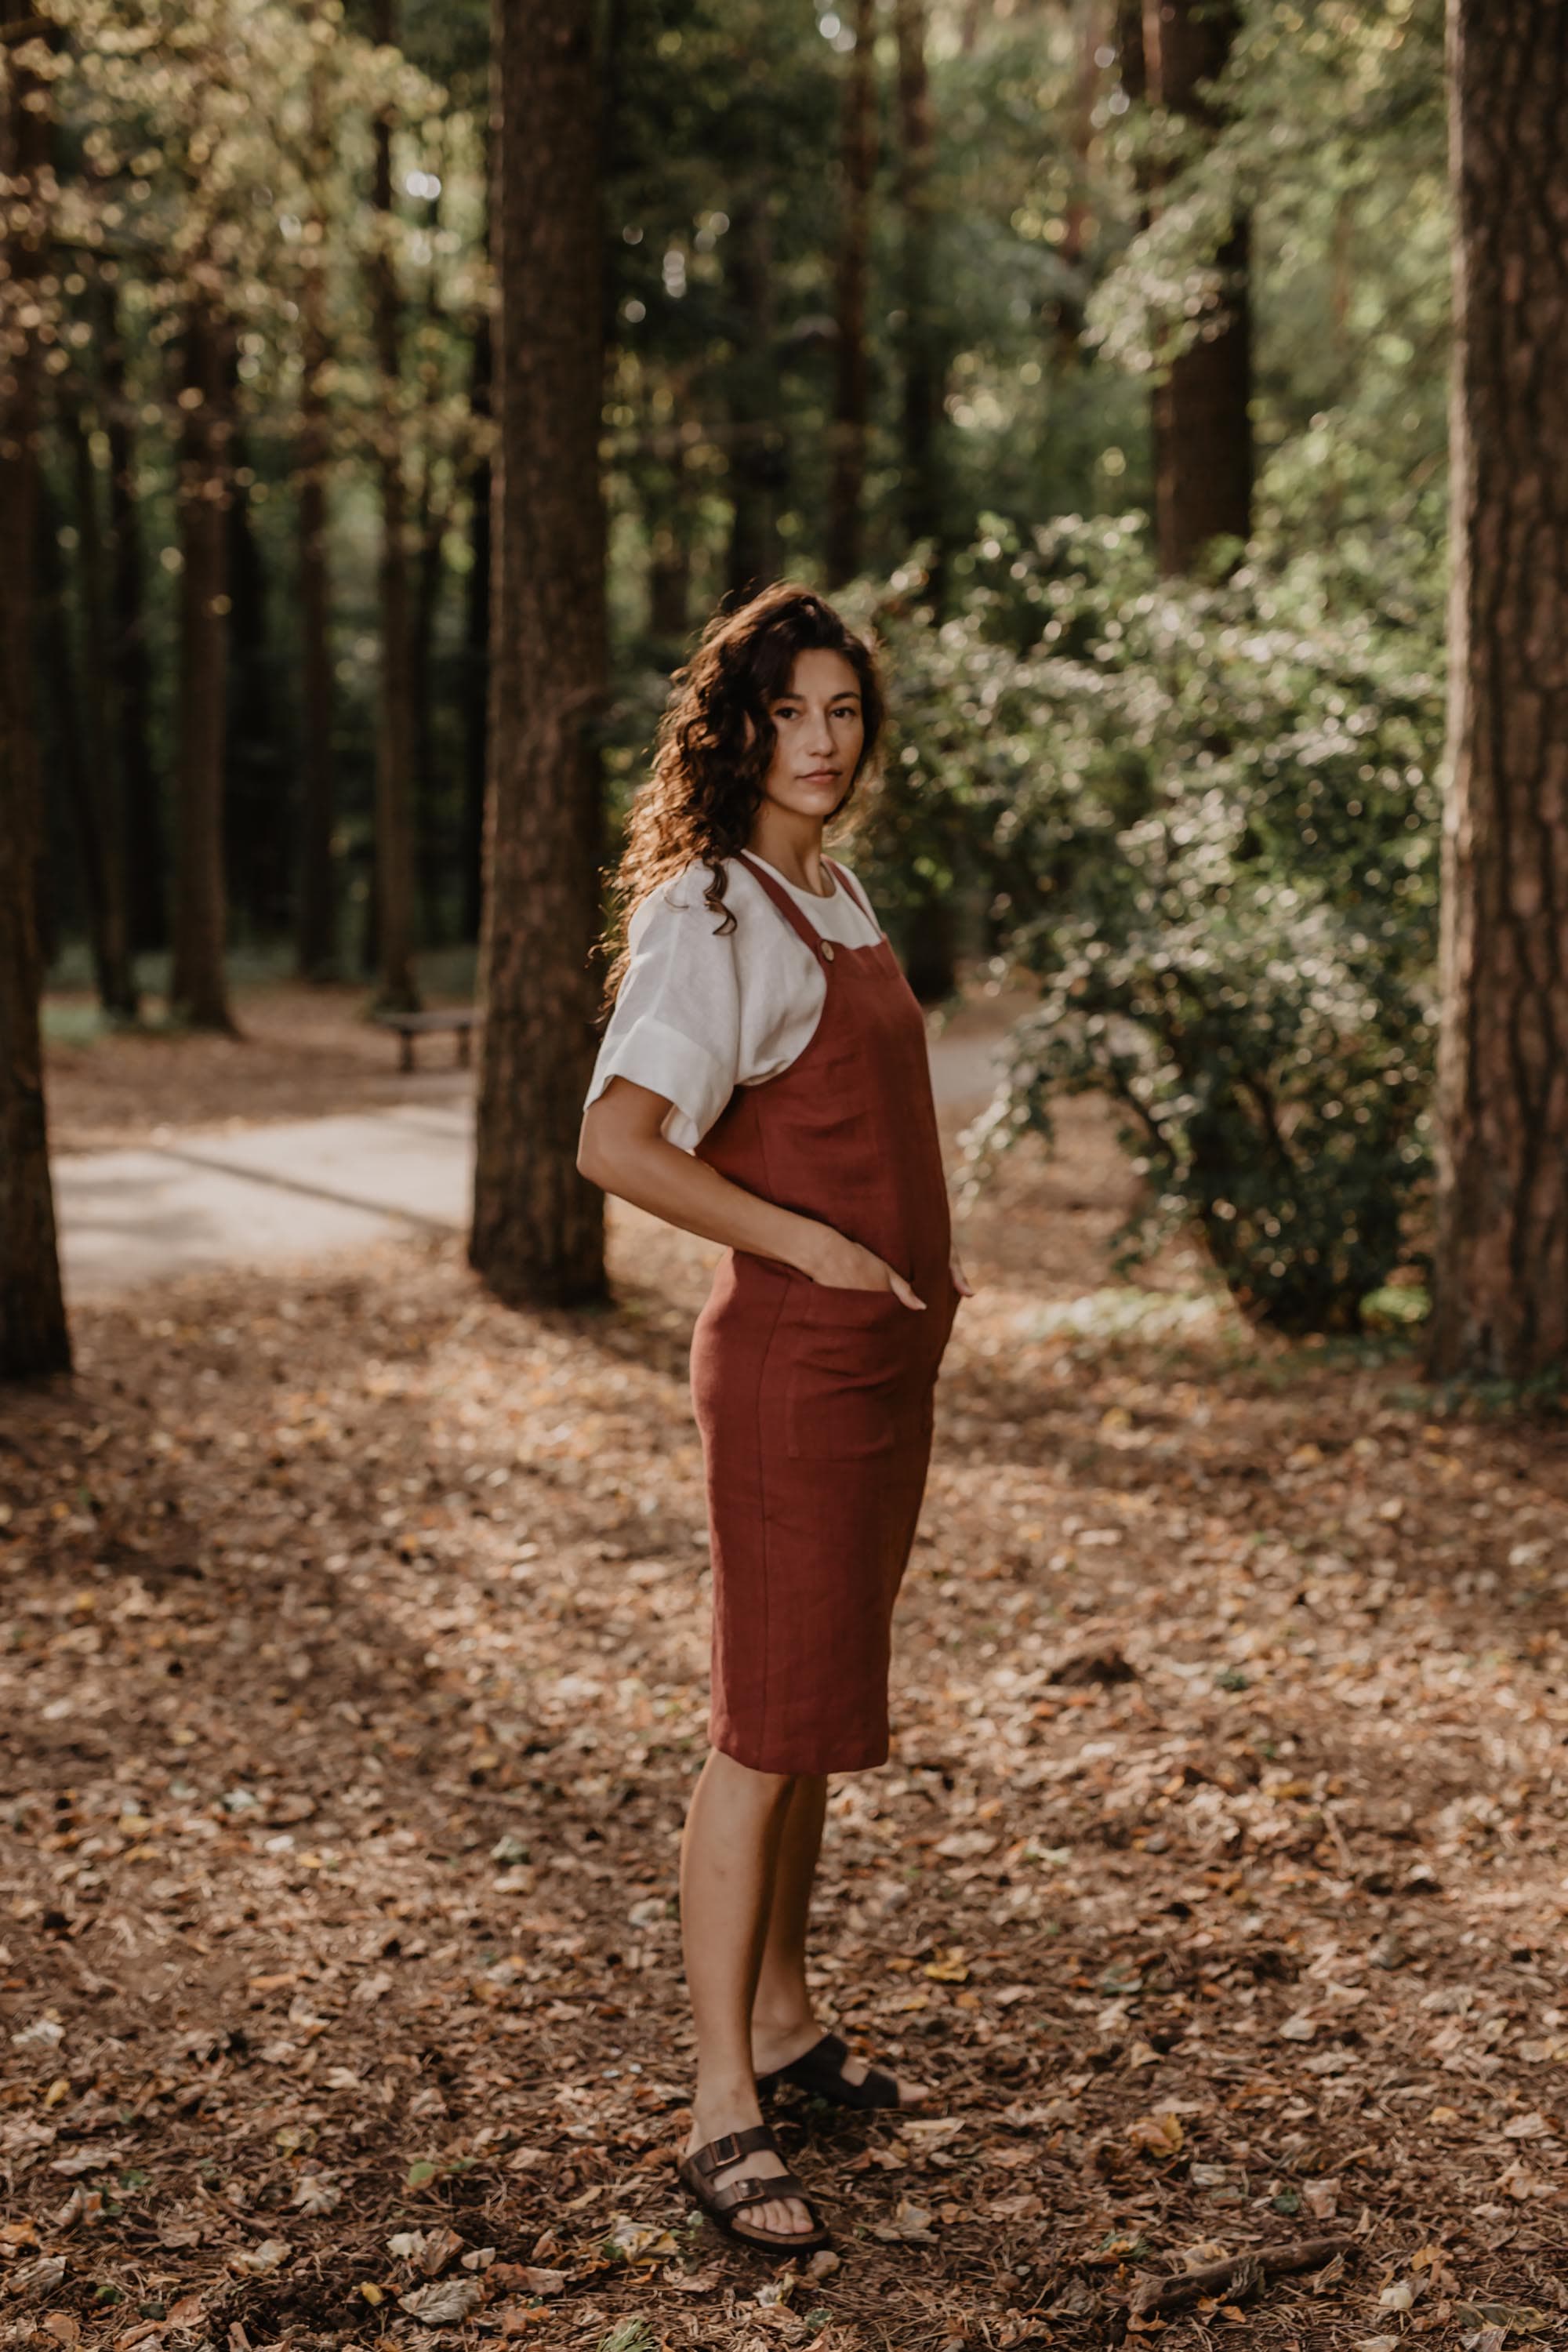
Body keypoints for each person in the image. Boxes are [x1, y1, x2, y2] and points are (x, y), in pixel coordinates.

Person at [577, 582, 971, 2258]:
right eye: (788, 714)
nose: (820, 743)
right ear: (731, 727)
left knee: (816, 1711)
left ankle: (793, 2021)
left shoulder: (834, 884)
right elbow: (617, 1142)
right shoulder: (711, 917)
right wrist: (808, 1239)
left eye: (841, 712)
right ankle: (717, 2107)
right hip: (792, 1374)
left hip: (880, 1370)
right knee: (759, 1728)